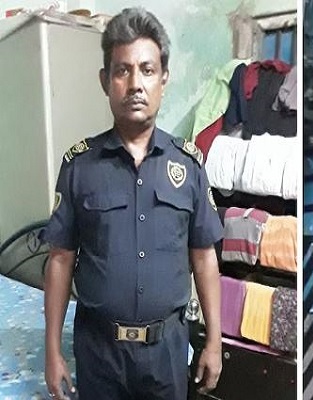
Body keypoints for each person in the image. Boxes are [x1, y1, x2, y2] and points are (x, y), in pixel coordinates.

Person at [40, 7, 223, 400]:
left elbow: (204, 256)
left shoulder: (188, 166)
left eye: (147, 70)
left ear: (164, 79)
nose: (135, 84)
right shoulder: (79, 166)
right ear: (105, 81)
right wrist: (52, 350)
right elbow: (60, 260)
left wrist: (214, 340)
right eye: (122, 70)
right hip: (98, 354)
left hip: (166, 354)